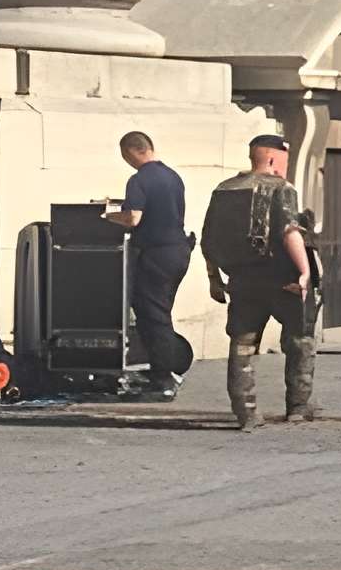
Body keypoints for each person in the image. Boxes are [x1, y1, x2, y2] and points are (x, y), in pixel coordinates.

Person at [200, 131, 317, 431]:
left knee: (242, 345)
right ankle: (297, 407)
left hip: (241, 280)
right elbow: (290, 231)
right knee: (299, 341)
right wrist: (304, 272)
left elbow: (208, 239)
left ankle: (246, 412)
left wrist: (214, 278)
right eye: (284, 161)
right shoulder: (281, 189)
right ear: (271, 158)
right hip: (283, 279)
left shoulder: (223, 189)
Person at [103, 130, 194, 398]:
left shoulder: (139, 179)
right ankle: (163, 367)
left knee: (153, 316)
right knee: (160, 312)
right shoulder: (173, 177)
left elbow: (133, 218)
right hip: (179, 251)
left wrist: (108, 216)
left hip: (156, 254)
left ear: (128, 152)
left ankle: (164, 378)